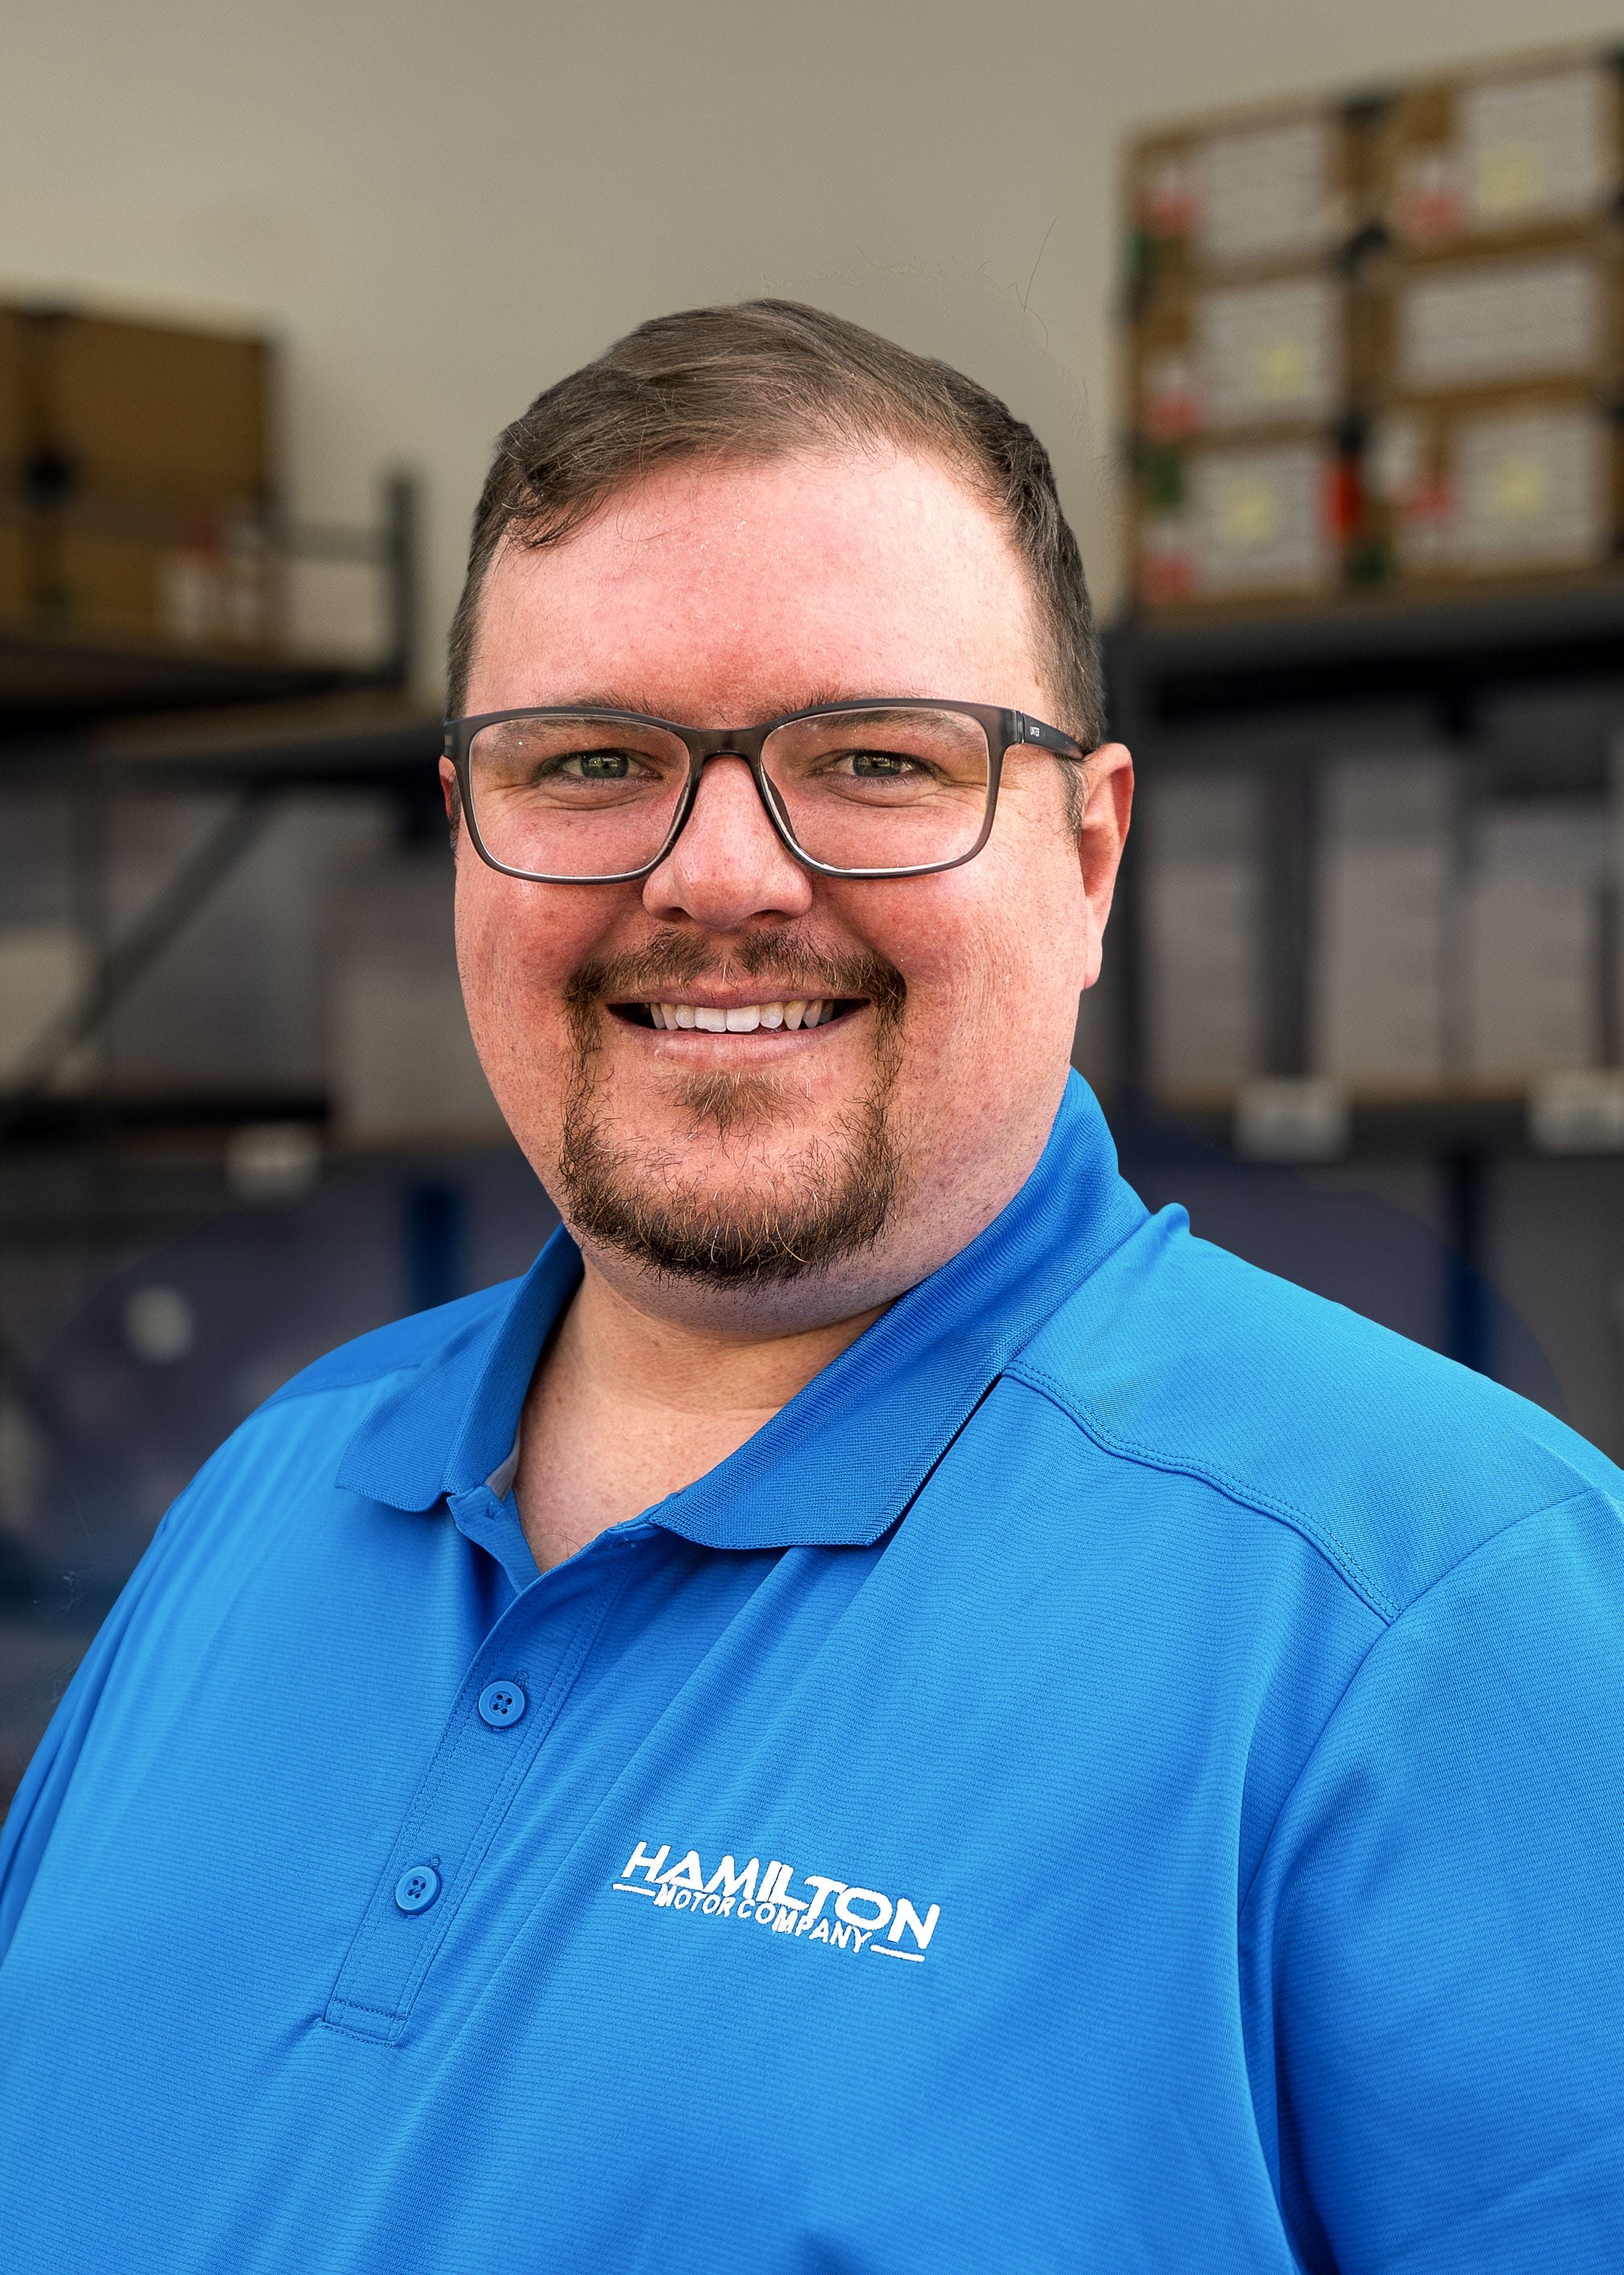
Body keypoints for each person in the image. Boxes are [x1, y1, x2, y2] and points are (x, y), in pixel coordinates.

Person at [2, 300, 1622, 2274]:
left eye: (871, 757)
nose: (718, 876)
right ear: (466, 841)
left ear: (1089, 857)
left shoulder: (1436, 1610)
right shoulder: (276, 1490)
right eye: (591, 760)